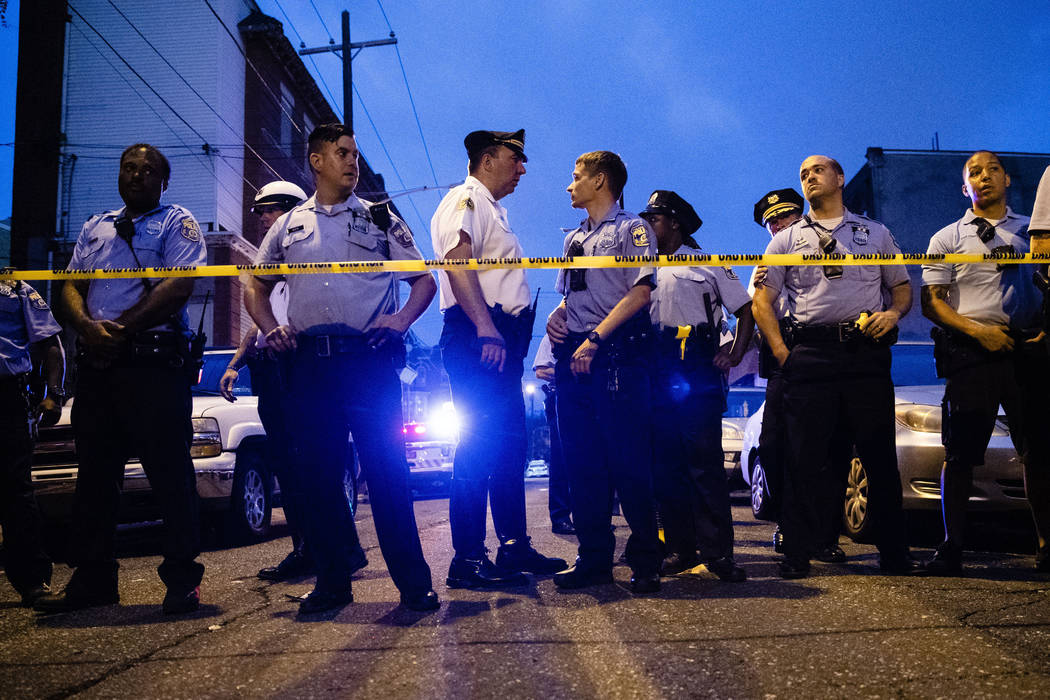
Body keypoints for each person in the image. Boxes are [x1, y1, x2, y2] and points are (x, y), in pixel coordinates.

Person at [246, 123, 438, 615]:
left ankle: (414, 585)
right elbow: (255, 287)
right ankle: (333, 584)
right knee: (319, 477)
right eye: (343, 153)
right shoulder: (287, 227)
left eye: (355, 154)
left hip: (367, 363)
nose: (353, 162)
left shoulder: (379, 218)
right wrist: (270, 329)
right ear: (316, 161)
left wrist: (398, 321)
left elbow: (423, 281)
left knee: (387, 472)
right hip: (310, 366)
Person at [36, 144, 207, 614]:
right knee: (94, 479)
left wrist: (121, 329)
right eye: (129, 168)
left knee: (170, 476)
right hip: (99, 368)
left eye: (148, 170)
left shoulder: (176, 222)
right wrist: (89, 328)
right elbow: (69, 284)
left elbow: (179, 284)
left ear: (163, 181)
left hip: (152, 367)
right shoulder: (96, 227)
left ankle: (181, 581)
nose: (136, 175)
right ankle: (92, 580)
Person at [751, 154, 918, 579]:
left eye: (817, 171)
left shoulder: (874, 233)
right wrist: (782, 352)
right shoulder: (785, 241)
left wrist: (894, 314)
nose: (809, 177)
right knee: (803, 459)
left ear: (839, 179)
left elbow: (900, 288)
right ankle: (797, 553)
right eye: (803, 173)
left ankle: (895, 555)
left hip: (865, 356)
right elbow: (762, 302)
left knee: (879, 458)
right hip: (811, 355)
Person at [431, 129, 565, 589]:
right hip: (478, 334)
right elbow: (456, 260)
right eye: (515, 159)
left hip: (499, 339)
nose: (522, 169)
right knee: (478, 450)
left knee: (509, 450)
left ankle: (513, 549)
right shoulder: (465, 198)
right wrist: (487, 327)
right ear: (487, 159)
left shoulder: (492, 208)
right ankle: (467, 559)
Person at [221, 181, 368, 583]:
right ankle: (307, 548)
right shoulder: (272, 258)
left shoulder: (303, 254)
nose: (262, 218)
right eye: (259, 212)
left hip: (299, 365)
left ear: (288, 210)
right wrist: (236, 363)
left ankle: (338, 550)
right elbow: (258, 320)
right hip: (271, 370)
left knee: (310, 465)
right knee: (288, 467)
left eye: (269, 210)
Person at [920, 151, 1050, 573]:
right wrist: (979, 333)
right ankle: (952, 546)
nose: (984, 176)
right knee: (960, 454)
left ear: (1007, 179)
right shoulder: (946, 238)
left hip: (1028, 351)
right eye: (974, 172)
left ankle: (1046, 546)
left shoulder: (1035, 232)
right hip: (972, 353)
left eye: (992, 169)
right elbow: (932, 303)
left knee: (1039, 452)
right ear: (965, 188)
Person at [546, 150, 662, 593]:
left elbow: (641, 292)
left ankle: (647, 560)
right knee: (583, 465)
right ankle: (593, 559)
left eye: (576, 178)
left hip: (616, 357)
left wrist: (595, 338)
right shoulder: (573, 239)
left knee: (629, 463)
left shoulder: (632, 229)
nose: (569, 185)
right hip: (574, 360)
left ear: (600, 181)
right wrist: (558, 316)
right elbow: (569, 294)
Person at [641, 190, 754, 581]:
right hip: (655, 366)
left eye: (654, 219)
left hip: (696, 366)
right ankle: (679, 549)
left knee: (704, 467)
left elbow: (745, 310)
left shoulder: (710, 262)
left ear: (674, 222)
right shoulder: (640, 263)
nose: (648, 225)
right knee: (665, 467)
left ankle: (719, 554)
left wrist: (735, 354)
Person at [750, 188, 850, 562]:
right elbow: (755, 314)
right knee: (774, 448)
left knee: (830, 449)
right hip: (783, 367)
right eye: (771, 222)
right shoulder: (766, 262)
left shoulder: (823, 248)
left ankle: (825, 536)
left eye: (785, 216)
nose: (778, 224)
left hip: (820, 356)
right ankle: (787, 524)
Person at [0, 278, 63, 607]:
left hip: (6, 397)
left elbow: (50, 342)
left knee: (16, 492)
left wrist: (54, 393)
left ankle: (32, 580)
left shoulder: (15, 287)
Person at [532, 334, 574, 535]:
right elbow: (540, 370)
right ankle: (560, 517)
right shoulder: (555, 332)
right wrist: (568, 371)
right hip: (561, 395)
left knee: (592, 461)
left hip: (589, 395)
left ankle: (593, 516)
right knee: (561, 458)